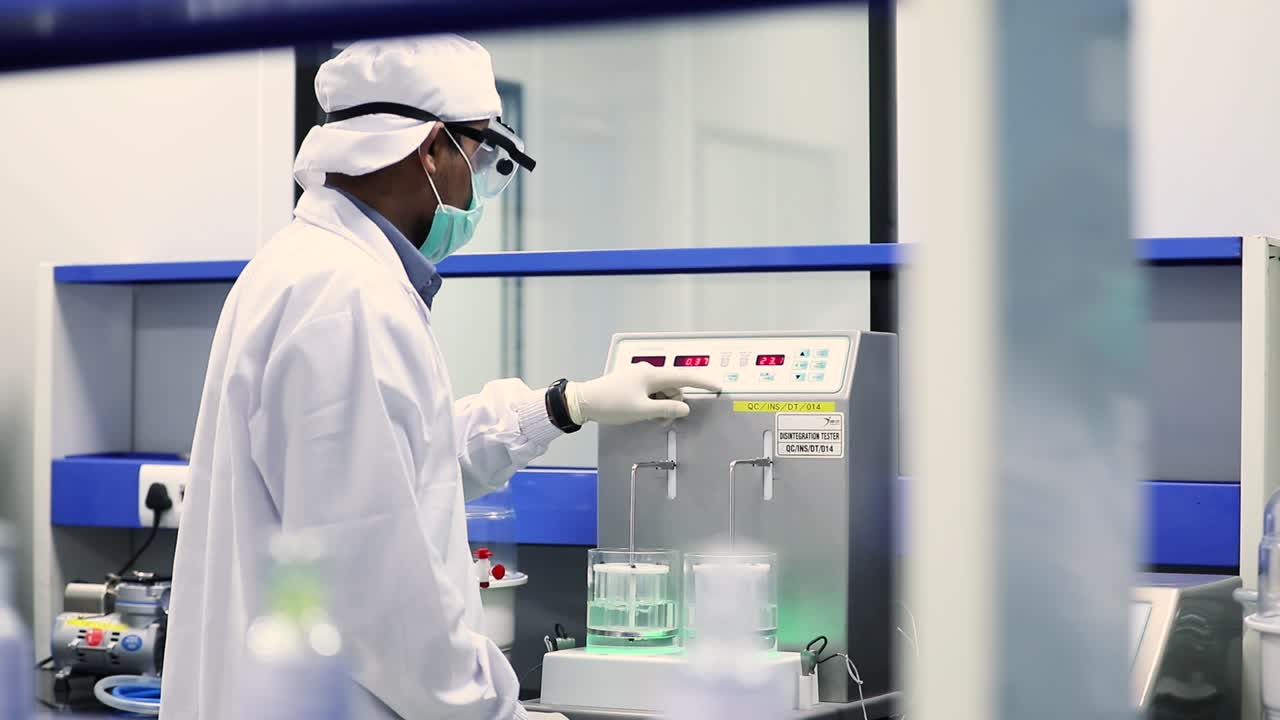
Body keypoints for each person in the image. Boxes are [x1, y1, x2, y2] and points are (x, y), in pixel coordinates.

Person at [160, 35, 718, 719]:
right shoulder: (346, 300)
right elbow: (384, 596)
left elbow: (399, 465)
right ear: (431, 150)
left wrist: (566, 405)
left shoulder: (307, 269)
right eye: (482, 154)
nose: (479, 183)